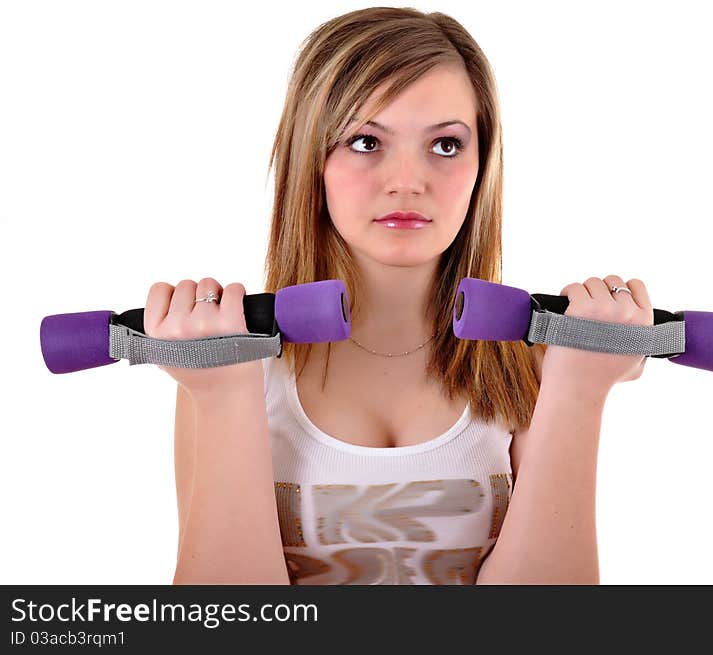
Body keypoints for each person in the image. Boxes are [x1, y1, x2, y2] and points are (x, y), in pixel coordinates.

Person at [145, 7, 653, 585]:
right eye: (365, 141)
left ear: (481, 164)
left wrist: (580, 392)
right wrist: (223, 393)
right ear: (312, 160)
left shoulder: (532, 367)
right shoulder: (235, 371)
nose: (408, 180)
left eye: (444, 145)